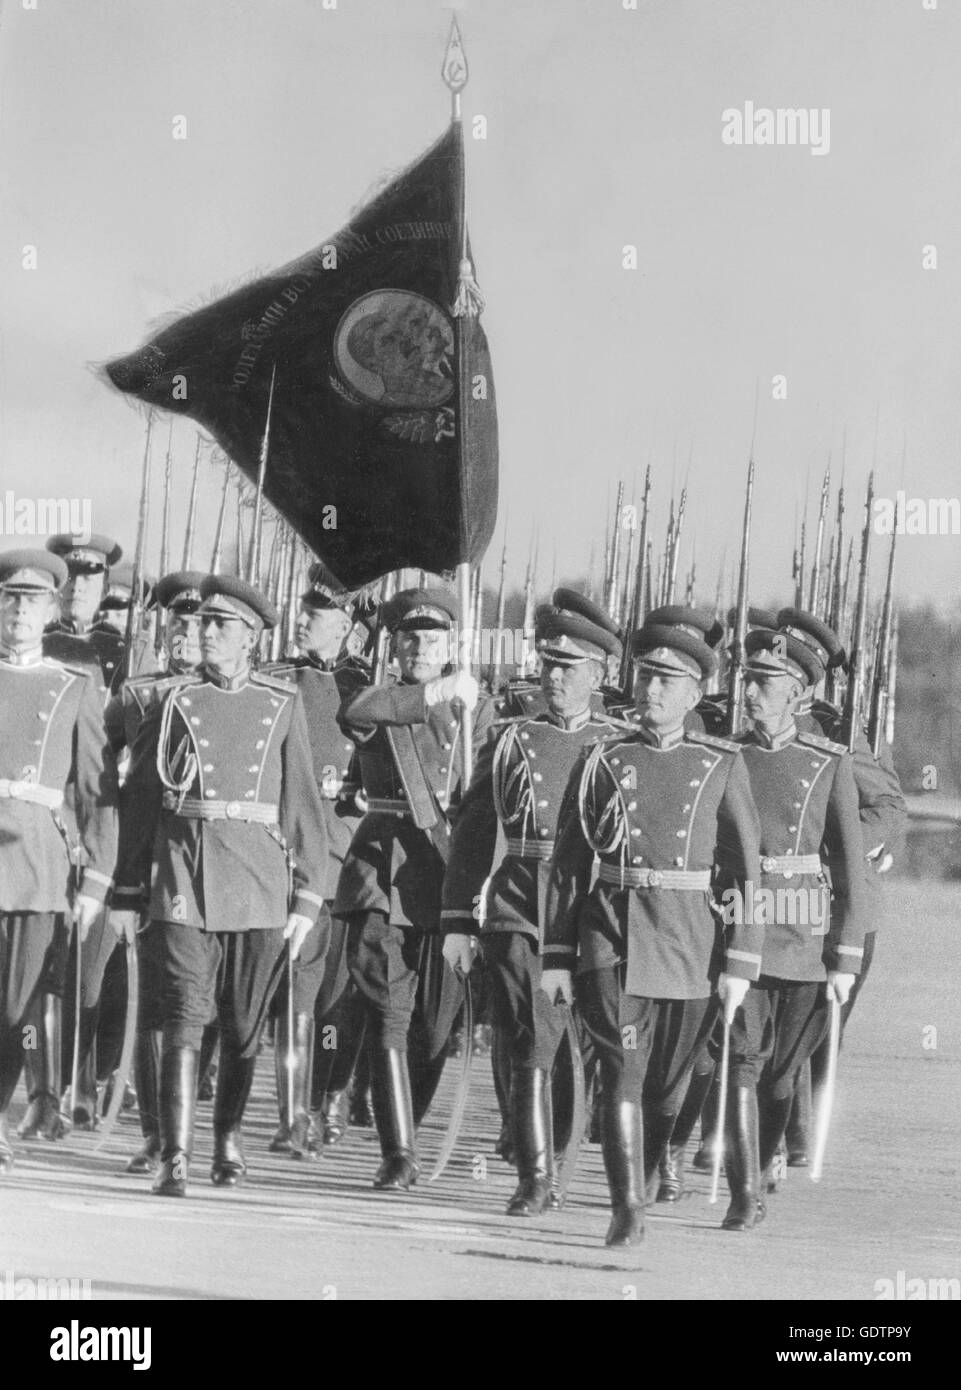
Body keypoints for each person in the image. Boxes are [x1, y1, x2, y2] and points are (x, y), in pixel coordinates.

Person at [544, 608, 764, 1246]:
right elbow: (567, 862)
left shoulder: (720, 763)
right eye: (644, 677)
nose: (650, 691)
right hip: (611, 933)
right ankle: (626, 1210)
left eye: (667, 680)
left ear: (695, 693)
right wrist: (557, 954)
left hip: (689, 945)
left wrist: (741, 963)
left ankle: (644, 1171)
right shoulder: (600, 756)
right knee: (623, 1072)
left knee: (666, 1092)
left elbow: (745, 871)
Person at [110, 574, 328, 1197]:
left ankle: (226, 1138)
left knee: (242, 1025)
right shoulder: (172, 701)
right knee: (183, 1014)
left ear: (252, 638)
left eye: (220, 625)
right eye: (202, 622)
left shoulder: (281, 704)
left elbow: (302, 804)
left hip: (259, 885)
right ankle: (174, 1157)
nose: (204, 632)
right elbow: (141, 803)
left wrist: (308, 895)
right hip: (184, 876)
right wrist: (126, 892)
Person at [441, 589, 627, 1217]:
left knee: (585, 1042)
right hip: (519, 907)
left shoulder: (618, 747)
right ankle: (535, 1174)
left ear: (599, 675)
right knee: (528, 1041)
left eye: (570, 668)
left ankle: (569, 1154)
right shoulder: (511, 739)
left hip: (591, 910)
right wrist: (459, 920)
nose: (554, 678)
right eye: (549, 664)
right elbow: (471, 834)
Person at [334, 586, 494, 1190]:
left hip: (449, 872)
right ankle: (397, 1151)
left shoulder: (479, 708)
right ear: (393, 646)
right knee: (387, 1011)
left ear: (452, 645)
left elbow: (492, 802)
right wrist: (431, 695)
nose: (422, 649)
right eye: (410, 639)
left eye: (434, 641)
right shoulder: (384, 699)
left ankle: (403, 1121)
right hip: (384, 869)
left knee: (434, 1025)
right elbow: (356, 714)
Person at [720, 610, 868, 1231]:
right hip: (741, 922)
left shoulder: (828, 763)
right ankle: (743, 1191)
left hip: (805, 933)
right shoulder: (723, 756)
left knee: (781, 1078)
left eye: (765, 682)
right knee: (743, 1060)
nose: (749, 693)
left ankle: (766, 1156)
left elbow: (853, 867)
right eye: (747, 679)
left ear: (799, 694)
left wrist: (847, 953)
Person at [0, 549, 118, 1171]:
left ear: (50, 611)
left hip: (37, 865)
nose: (19, 609)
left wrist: (96, 878)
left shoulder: (73, 686)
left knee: (16, 1008)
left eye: (32, 600)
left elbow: (100, 792)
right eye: (10, 598)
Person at [778, 606, 907, 1166]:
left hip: (833, 904)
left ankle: (803, 1132)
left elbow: (888, 807)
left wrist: (838, 849)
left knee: (821, 1028)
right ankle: (766, 1129)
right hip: (773, 903)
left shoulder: (835, 734)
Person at [261, 571, 370, 1158]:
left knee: (339, 996)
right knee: (296, 990)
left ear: (347, 627)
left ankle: (333, 1092)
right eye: (302, 610)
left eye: (317, 614)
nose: (302, 620)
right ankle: (292, 1114)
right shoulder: (276, 680)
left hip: (347, 858)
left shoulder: (368, 691)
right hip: (284, 854)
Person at [102, 571, 205, 1174]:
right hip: (150, 862)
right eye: (179, 622)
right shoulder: (139, 695)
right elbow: (95, 761)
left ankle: (195, 1127)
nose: (188, 634)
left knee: (196, 1003)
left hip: (209, 866)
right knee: (153, 1003)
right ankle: (157, 1133)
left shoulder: (236, 697)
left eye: (199, 624)